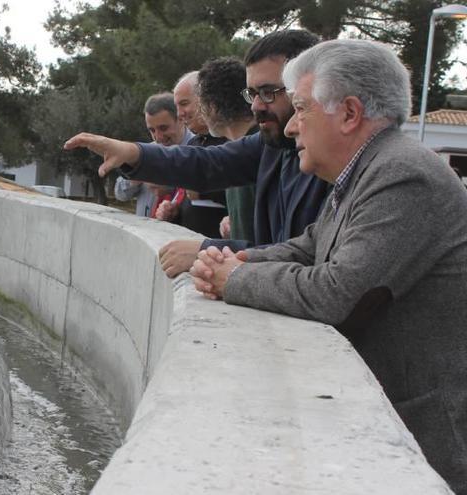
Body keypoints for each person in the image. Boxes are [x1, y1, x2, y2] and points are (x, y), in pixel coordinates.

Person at [189, 39, 467, 493]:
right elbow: (309, 247)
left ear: (350, 113)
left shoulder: (403, 175)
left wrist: (235, 278)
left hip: (427, 450)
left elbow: (338, 291)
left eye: (301, 108)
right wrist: (237, 259)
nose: (293, 126)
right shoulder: (366, 171)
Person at [64, 30, 329, 279]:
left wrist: (209, 249)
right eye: (252, 94)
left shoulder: (338, 165)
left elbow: (310, 261)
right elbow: (207, 163)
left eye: (269, 92)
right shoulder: (273, 146)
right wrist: (133, 153)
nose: (257, 106)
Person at [157, 71, 229, 238]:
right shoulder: (193, 144)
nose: (180, 113)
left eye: (184, 104)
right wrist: (174, 211)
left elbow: (244, 192)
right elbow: (188, 197)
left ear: (206, 99)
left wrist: (204, 190)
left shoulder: (232, 140)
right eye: (177, 107)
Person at [195, 57, 257, 244]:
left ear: (211, 108)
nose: (200, 114)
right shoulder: (241, 152)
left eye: (200, 106)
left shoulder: (258, 155)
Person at [114, 92, 192, 217]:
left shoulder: (201, 149)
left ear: (180, 119)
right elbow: (120, 194)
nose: (158, 137)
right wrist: (138, 175)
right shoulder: (146, 152)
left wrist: (171, 186)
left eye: (163, 128)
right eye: (152, 130)